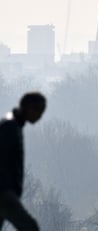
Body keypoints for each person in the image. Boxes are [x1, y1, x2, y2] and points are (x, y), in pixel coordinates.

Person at [0, 92, 46, 230]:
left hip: (5, 190)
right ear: (30, 108)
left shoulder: (12, 125)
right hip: (3, 192)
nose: (40, 116)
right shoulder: (10, 127)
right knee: (30, 227)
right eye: (39, 111)